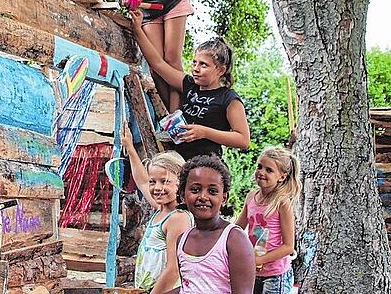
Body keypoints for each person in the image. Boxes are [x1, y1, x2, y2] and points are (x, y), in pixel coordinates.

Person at [131, 8, 250, 162]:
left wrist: (204, 132)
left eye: (203, 65)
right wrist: (137, 29)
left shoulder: (228, 98)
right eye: (194, 62)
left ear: (221, 70)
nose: (196, 68)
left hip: (206, 166)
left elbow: (243, 140)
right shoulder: (188, 84)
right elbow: (157, 63)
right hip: (178, 161)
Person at [162, 155, 255, 294]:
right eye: (195, 189)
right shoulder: (183, 240)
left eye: (212, 191)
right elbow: (190, 286)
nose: (203, 197)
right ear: (182, 195)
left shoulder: (234, 239)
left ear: (224, 198)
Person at [122, 126, 193, 291]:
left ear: (180, 182)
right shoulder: (162, 209)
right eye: (153, 181)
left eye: (165, 181)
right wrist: (130, 148)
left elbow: (173, 269)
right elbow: (142, 181)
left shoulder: (178, 218)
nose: (157, 187)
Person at [235, 147, 301, 294]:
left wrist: (259, 260)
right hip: (253, 272)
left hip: (275, 275)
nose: (261, 172)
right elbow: (237, 229)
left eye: (269, 170)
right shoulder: (251, 197)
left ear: (282, 177)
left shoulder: (282, 203)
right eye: (259, 167)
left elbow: (289, 246)